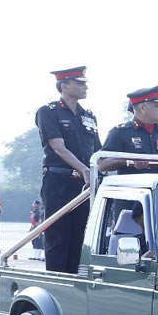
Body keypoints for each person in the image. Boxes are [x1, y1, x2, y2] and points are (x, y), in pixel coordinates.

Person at [36, 66, 101, 273]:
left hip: (84, 185)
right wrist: (85, 170)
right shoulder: (48, 111)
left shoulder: (89, 116)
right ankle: (56, 286)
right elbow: (59, 148)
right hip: (59, 182)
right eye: (79, 83)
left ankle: (73, 286)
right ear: (64, 86)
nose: (85, 87)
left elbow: (98, 152)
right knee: (58, 237)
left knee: (80, 238)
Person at [99, 86, 158, 174]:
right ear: (143, 108)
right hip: (134, 187)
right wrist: (127, 161)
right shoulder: (120, 133)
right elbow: (102, 164)